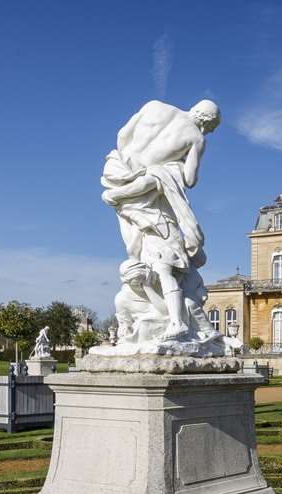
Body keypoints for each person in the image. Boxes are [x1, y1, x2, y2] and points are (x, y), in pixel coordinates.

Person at [100, 100, 220, 341]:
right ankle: (175, 322)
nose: (208, 132)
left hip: (123, 170)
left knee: (137, 246)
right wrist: (178, 162)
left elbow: (123, 134)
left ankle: (167, 318)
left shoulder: (155, 106)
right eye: (211, 128)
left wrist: (133, 162)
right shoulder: (197, 137)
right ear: (206, 120)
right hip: (150, 188)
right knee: (159, 261)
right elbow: (190, 179)